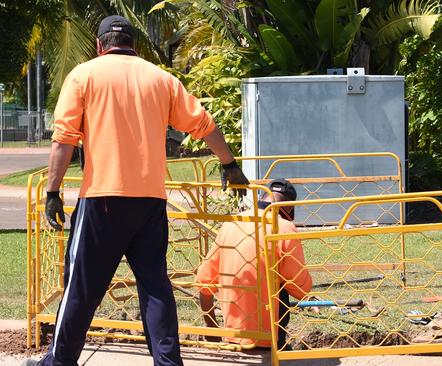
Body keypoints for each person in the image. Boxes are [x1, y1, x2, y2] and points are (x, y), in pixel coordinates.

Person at [23, 15, 249, 366]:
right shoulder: (161, 79)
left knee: (81, 288)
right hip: (149, 202)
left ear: (100, 45)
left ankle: (59, 362)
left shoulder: (84, 75)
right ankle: (168, 362)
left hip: (102, 199)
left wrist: (53, 192)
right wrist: (229, 165)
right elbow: (205, 124)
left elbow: (64, 139)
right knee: (155, 286)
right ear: (135, 44)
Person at [196, 179, 312, 349]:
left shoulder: (230, 223)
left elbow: (204, 282)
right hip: (266, 335)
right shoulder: (284, 227)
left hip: (232, 333)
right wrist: (308, 294)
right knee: (280, 283)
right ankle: (275, 344)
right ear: (289, 207)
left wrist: (212, 326)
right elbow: (298, 284)